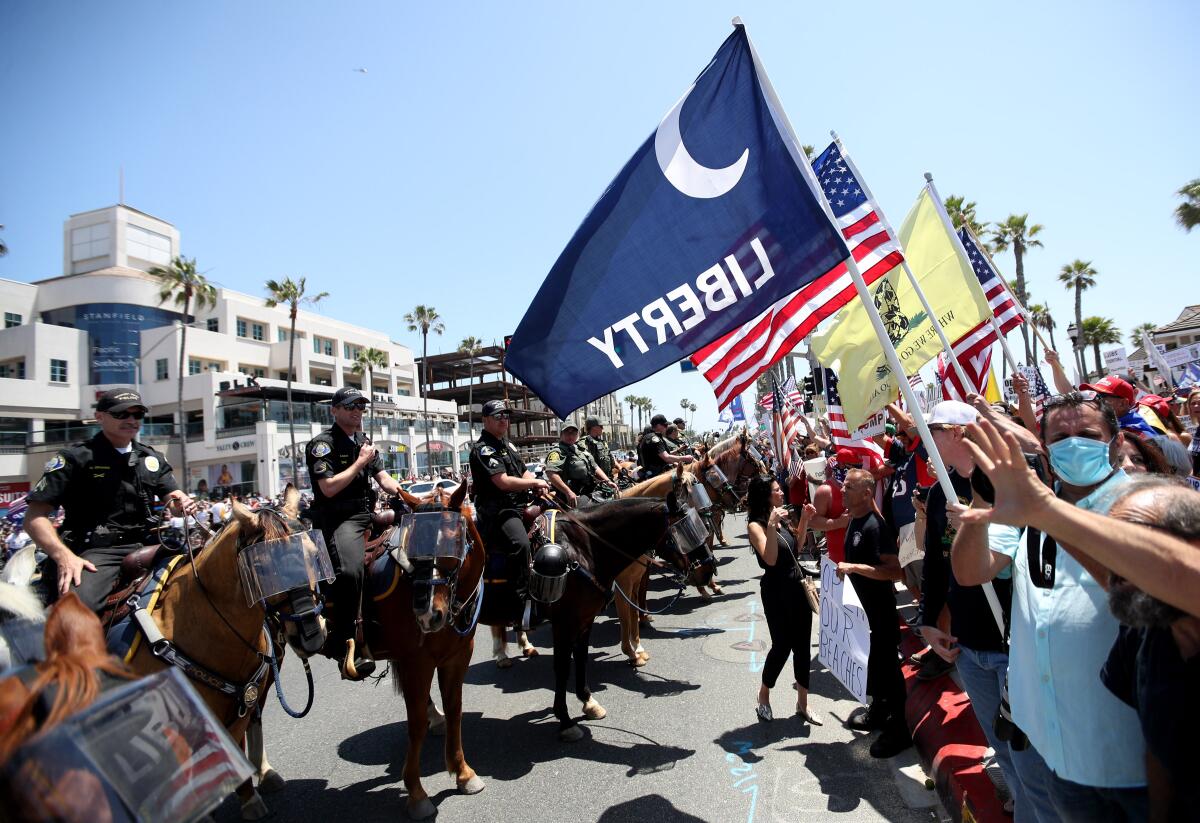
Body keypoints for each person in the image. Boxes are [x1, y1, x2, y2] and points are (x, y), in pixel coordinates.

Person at [952, 392, 1147, 821]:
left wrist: (1048, 511)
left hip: (1126, 757)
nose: (1074, 443)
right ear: (1044, 446)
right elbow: (972, 571)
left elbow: (1146, 600)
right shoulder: (1026, 509)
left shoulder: (1145, 507)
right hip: (1042, 741)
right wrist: (980, 502)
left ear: (1114, 443)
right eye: (1061, 436)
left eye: (1087, 434)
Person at [25, 388, 196, 612]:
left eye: (137, 415)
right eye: (122, 414)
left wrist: (182, 503)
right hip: (98, 552)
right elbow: (34, 518)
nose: (131, 420)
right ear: (100, 417)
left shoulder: (151, 458)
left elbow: (173, 501)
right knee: (75, 613)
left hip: (151, 545)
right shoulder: (75, 458)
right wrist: (64, 557)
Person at [1096, 477, 1200, 822]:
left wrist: (1043, 510)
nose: (1118, 563)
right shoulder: (1143, 635)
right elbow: (1158, 749)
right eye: (1112, 546)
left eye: (1138, 545)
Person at [306, 387, 405, 680]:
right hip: (340, 519)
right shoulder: (322, 445)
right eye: (350, 407)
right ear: (334, 410)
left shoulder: (363, 441)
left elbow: (383, 477)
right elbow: (328, 487)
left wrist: (405, 493)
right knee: (350, 570)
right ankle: (345, 640)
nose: (357, 412)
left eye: (361, 407)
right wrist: (360, 462)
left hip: (368, 513)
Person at [839, 468, 911, 758]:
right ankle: (879, 712)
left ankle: (900, 730)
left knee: (889, 671)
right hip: (863, 615)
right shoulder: (854, 521)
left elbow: (895, 571)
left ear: (867, 493)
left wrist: (855, 568)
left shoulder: (874, 526)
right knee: (875, 670)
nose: (842, 491)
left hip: (881, 615)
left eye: (848, 487)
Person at [745, 475, 822, 726]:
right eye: (777, 490)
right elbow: (770, 559)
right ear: (765, 496)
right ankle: (764, 694)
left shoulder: (783, 517)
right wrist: (770, 525)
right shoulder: (756, 526)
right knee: (782, 645)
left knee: (802, 645)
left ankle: (803, 703)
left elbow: (796, 549)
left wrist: (806, 522)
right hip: (776, 591)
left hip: (797, 587)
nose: (782, 493)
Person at [468, 399, 550, 609]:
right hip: (498, 510)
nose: (504, 420)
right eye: (498, 416)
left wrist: (538, 484)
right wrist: (534, 482)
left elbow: (523, 470)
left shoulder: (507, 444)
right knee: (520, 545)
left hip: (520, 504)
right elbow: (502, 482)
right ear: (485, 420)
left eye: (506, 415)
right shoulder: (483, 449)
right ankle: (519, 600)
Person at [544, 423, 617, 508]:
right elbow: (551, 473)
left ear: (577, 435)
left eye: (574, 433)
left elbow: (595, 467)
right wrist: (568, 492)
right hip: (573, 496)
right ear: (561, 435)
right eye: (567, 433)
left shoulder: (580, 449)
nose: (571, 436)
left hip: (591, 491)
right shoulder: (557, 452)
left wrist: (608, 481)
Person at [1080, 375, 1161, 436]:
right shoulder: (1110, 426)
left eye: (1100, 396)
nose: (1094, 400)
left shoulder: (1138, 434)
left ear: (1122, 404)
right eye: (1092, 393)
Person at [811, 450, 852, 563]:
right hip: (839, 560)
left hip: (864, 559)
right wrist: (838, 522)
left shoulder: (864, 485)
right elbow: (813, 522)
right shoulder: (825, 490)